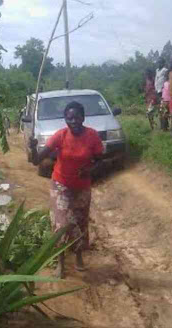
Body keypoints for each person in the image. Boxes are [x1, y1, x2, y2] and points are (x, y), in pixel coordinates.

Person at [29, 101, 103, 278]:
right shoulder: (60, 136)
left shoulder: (92, 136)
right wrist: (33, 147)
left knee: (79, 222)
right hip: (60, 184)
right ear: (65, 119)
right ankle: (60, 262)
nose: (74, 121)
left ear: (83, 118)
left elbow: (100, 160)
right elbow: (36, 160)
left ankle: (78, 256)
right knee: (61, 224)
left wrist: (89, 170)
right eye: (69, 118)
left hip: (82, 186)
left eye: (77, 117)